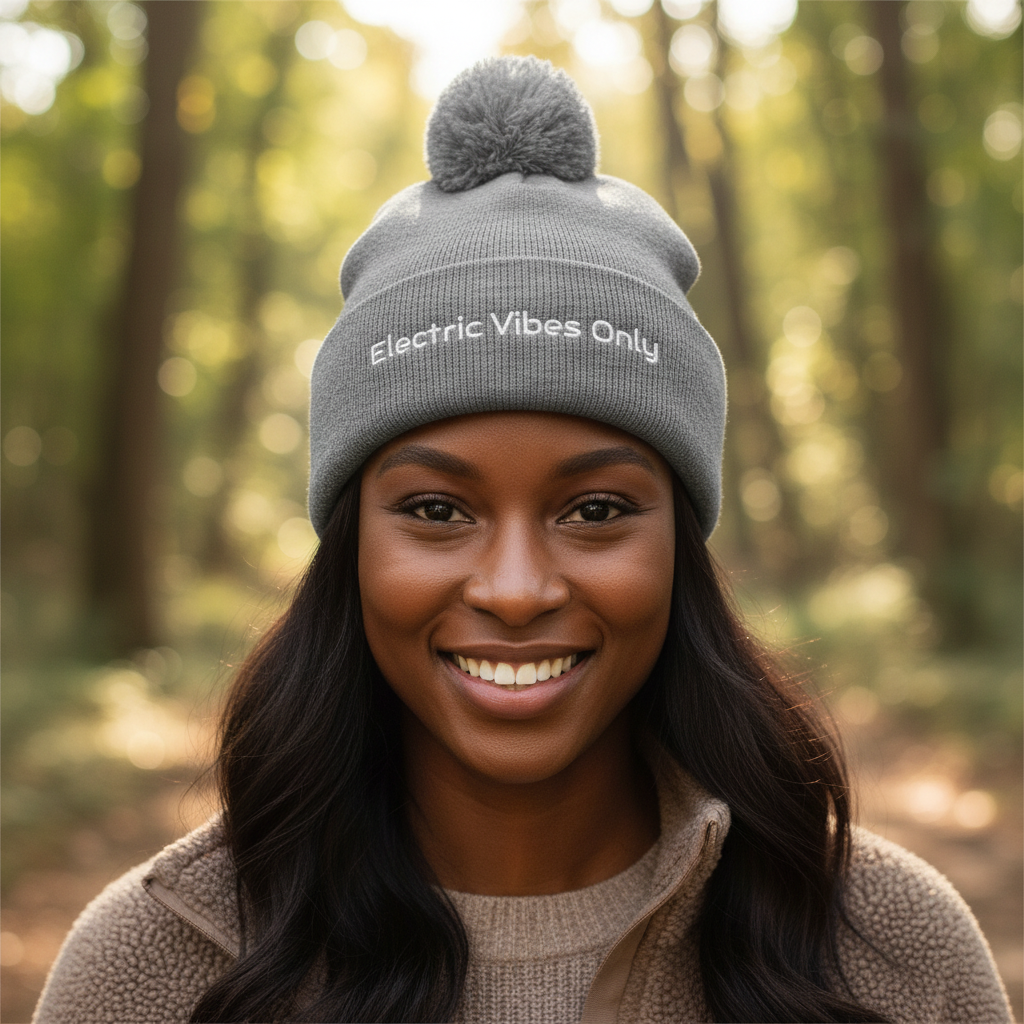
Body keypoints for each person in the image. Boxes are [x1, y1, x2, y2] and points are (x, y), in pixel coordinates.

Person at [33, 56, 1012, 1024]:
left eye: (595, 511)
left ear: (680, 545)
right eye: (436, 511)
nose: (513, 589)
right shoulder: (156, 966)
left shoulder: (894, 955)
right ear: (351, 547)